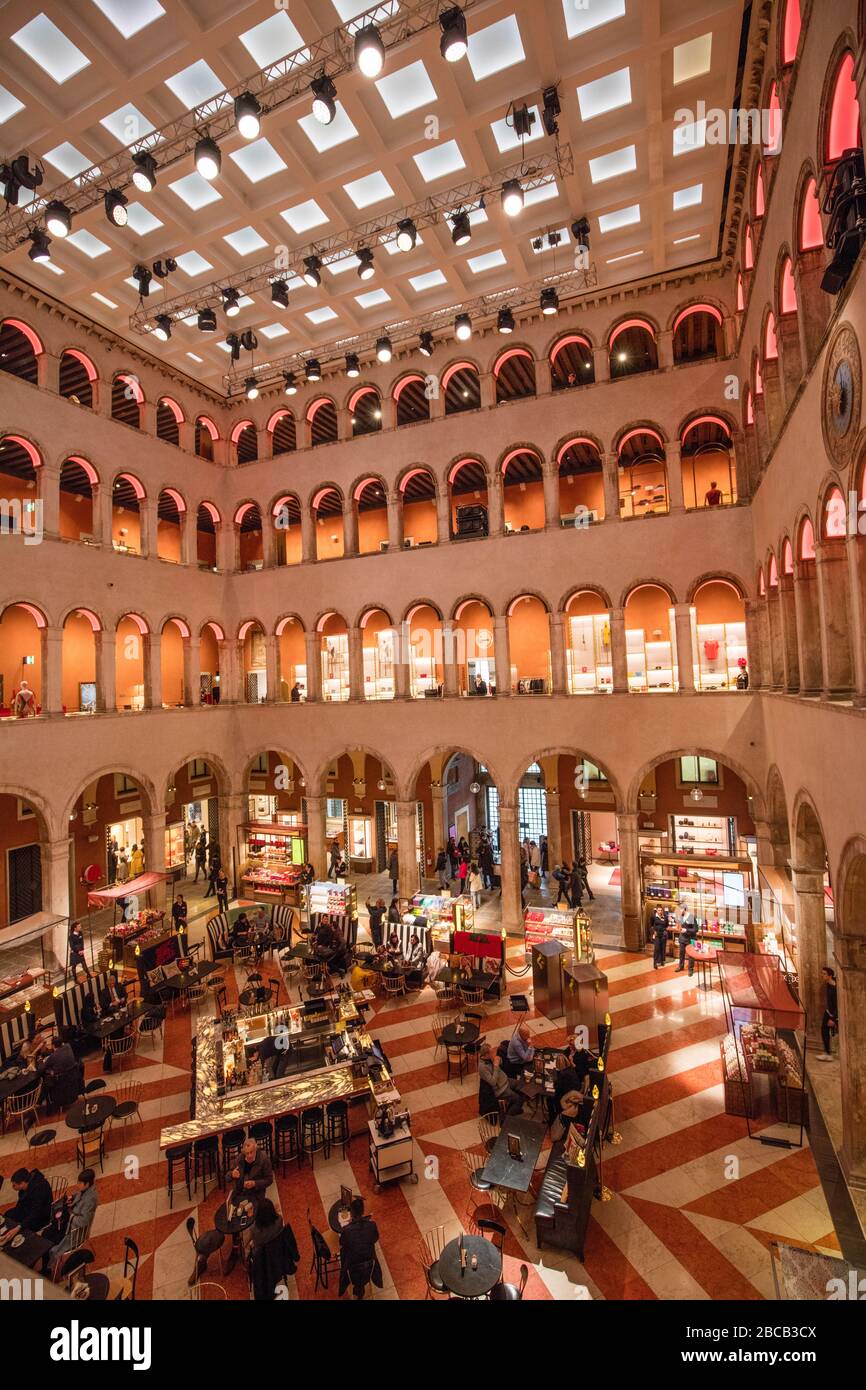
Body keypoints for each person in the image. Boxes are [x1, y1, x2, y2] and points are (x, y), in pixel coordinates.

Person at [247, 1198, 300, 1301]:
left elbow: (254, 1244)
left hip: (263, 1261)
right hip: (279, 1254)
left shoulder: (254, 1229)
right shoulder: (279, 1220)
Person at [47, 1169, 98, 1272]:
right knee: (47, 1234)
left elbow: (84, 1221)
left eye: (80, 1183)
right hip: (69, 1223)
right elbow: (78, 1195)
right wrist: (71, 1198)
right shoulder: (85, 1191)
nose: (77, 1185)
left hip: (75, 1231)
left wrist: (71, 1215)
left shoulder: (90, 1200)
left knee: (51, 1243)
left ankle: (48, 1267)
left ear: (87, 1184)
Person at [338, 1197, 382, 1299]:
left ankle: (357, 1291)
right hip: (369, 1268)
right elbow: (375, 1238)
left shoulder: (346, 1230)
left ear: (351, 1213)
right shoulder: (372, 1225)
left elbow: (342, 1243)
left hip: (351, 1270)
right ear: (363, 1212)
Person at [0, 1167, 52, 1239]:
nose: (13, 1187)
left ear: (22, 1183)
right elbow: (20, 1204)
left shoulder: (39, 1188)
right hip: (29, 1209)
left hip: (41, 1216)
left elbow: (36, 1213)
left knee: (21, 1230)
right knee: (8, 1215)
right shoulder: (26, 1186)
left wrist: (19, 1227)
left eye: (14, 1185)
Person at [478, 1042, 524, 1115]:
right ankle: (507, 1118)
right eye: (491, 1052)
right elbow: (492, 1082)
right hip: (501, 1089)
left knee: (522, 1084)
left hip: (506, 1080)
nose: (493, 1053)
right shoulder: (482, 1068)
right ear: (486, 1055)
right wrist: (496, 1066)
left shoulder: (490, 1058)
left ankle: (515, 1107)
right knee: (519, 1100)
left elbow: (501, 1065)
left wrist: (499, 1060)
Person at [230, 1137, 273, 1202]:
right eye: (247, 1153)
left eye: (251, 1152)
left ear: (255, 1149)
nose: (249, 1155)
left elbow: (269, 1180)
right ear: (244, 1152)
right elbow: (227, 1177)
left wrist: (254, 1183)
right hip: (240, 1191)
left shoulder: (264, 1159)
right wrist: (232, 1174)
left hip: (256, 1193)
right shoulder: (240, 1158)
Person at [816, 966, 838, 1060]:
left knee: (830, 1031)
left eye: (824, 974)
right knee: (824, 1030)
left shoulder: (835, 988)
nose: (822, 975)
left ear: (830, 975)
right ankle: (827, 1052)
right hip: (828, 1012)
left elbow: (838, 1005)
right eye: (822, 973)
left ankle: (830, 1053)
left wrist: (833, 1019)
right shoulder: (828, 984)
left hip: (834, 1014)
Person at [674, 906, 697, 976]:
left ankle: (690, 969)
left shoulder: (691, 917)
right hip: (682, 939)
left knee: (691, 955)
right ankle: (681, 966)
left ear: (684, 909)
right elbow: (679, 926)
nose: (679, 911)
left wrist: (686, 930)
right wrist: (678, 927)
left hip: (691, 939)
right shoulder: (680, 917)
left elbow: (696, 929)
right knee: (681, 954)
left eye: (680, 909)